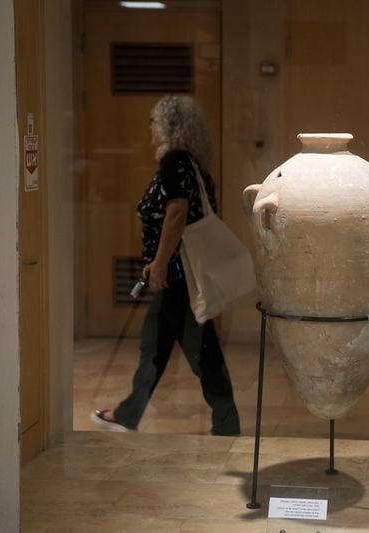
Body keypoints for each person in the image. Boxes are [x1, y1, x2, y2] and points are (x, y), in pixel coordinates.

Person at [91, 95, 241, 436]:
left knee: (202, 353)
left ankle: (227, 423)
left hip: (177, 276)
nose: (151, 129)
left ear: (169, 126)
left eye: (154, 122)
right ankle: (130, 413)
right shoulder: (193, 165)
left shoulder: (175, 161)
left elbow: (177, 212)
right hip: (180, 275)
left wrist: (158, 264)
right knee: (155, 347)